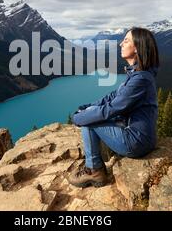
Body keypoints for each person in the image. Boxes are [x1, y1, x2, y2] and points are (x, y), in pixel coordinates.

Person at [68, 27, 160, 188]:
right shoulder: (138, 74)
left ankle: (94, 170)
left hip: (136, 141)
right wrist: (88, 107)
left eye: (126, 41)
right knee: (90, 114)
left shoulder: (141, 79)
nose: (120, 44)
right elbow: (113, 96)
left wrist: (78, 118)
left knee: (89, 122)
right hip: (138, 135)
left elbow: (112, 108)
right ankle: (94, 166)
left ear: (137, 47)